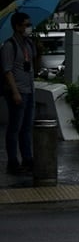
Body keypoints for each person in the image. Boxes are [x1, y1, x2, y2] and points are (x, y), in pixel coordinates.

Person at [1, 12, 36, 175]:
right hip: (17, 91)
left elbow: (31, 64)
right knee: (15, 128)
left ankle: (28, 159)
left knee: (26, 127)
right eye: (25, 24)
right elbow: (7, 71)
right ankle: (13, 161)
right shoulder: (9, 45)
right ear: (17, 26)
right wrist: (15, 93)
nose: (28, 27)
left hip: (29, 90)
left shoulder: (28, 44)